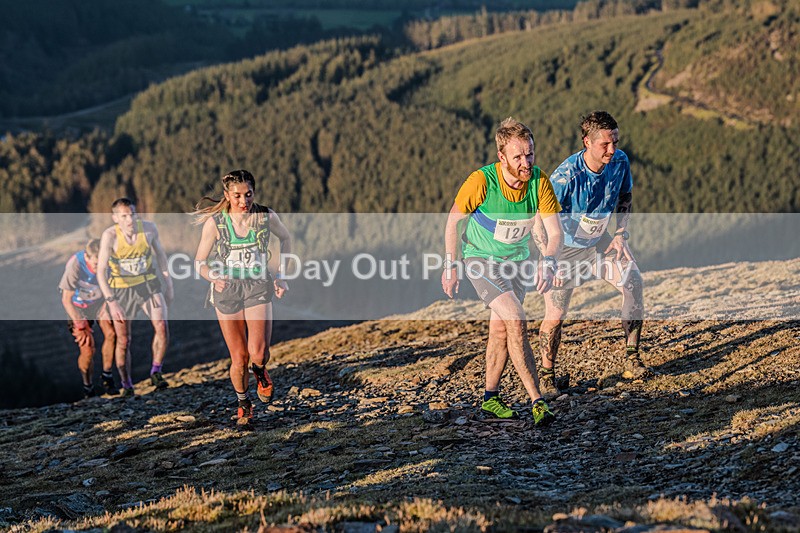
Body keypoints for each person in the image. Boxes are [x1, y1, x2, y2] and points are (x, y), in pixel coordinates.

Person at [442, 117, 563, 425]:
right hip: (480, 259)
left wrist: (548, 260)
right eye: (518, 156)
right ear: (502, 157)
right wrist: (451, 266)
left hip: (517, 263)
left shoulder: (539, 182)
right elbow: (453, 222)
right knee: (516, 318)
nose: (526, 162)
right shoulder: (482, 181)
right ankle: (537, 400)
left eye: (530, 154)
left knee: (499, 329)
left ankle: (490, 398)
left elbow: (555, 232)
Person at [536, 110, 647, 397]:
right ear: (587, 142)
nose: (612, 149)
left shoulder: (620, 161)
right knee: (556, 313)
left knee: (634, 282)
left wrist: (620, 234)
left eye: (615, 142)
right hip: (564, 249)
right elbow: (539, 220)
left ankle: (632, 358)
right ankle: (547, 377)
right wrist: (549, 261)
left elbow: (625, 196)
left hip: (599, 242)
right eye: (605, 144)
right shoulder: (566, 176)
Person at [194, 170, 292, 427]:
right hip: (226, 289)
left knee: (258, 353)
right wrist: (212, 277)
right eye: (237, 195)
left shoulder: (265, 216)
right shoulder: (215, 224)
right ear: (227, 195)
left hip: (258, 285)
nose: (243, 201)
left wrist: (281, 276)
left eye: (248, 194)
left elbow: (285, 238)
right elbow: (199, 262)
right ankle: (244, 403)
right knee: (239, 358)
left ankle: (259, 371)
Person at [96, 198, 174, 396]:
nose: (130, 220)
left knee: (162, 326)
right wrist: (111, 302)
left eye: (132, 214)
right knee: (124, 340)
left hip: (148, 284)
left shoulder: (149, 229)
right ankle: (127, 384)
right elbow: (101, 272)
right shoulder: (110, 236)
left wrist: (169, 285)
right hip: (121, 290)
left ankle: (156, 371)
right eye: (124, 216)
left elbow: (161, 257)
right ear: (115, 218)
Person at [59, 239, 118, 398]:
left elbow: (112, 284)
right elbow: (66, 300)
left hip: (99, 302)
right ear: (87, 257)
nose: (100, 267)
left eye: (103, 263)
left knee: (112, 333)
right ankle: (88, 386)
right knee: (88, 348)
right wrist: (79, 323)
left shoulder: (109, 261)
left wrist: (107, 305)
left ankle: (107, 376)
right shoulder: (76, 266)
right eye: (96, 264)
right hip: (77, 306)